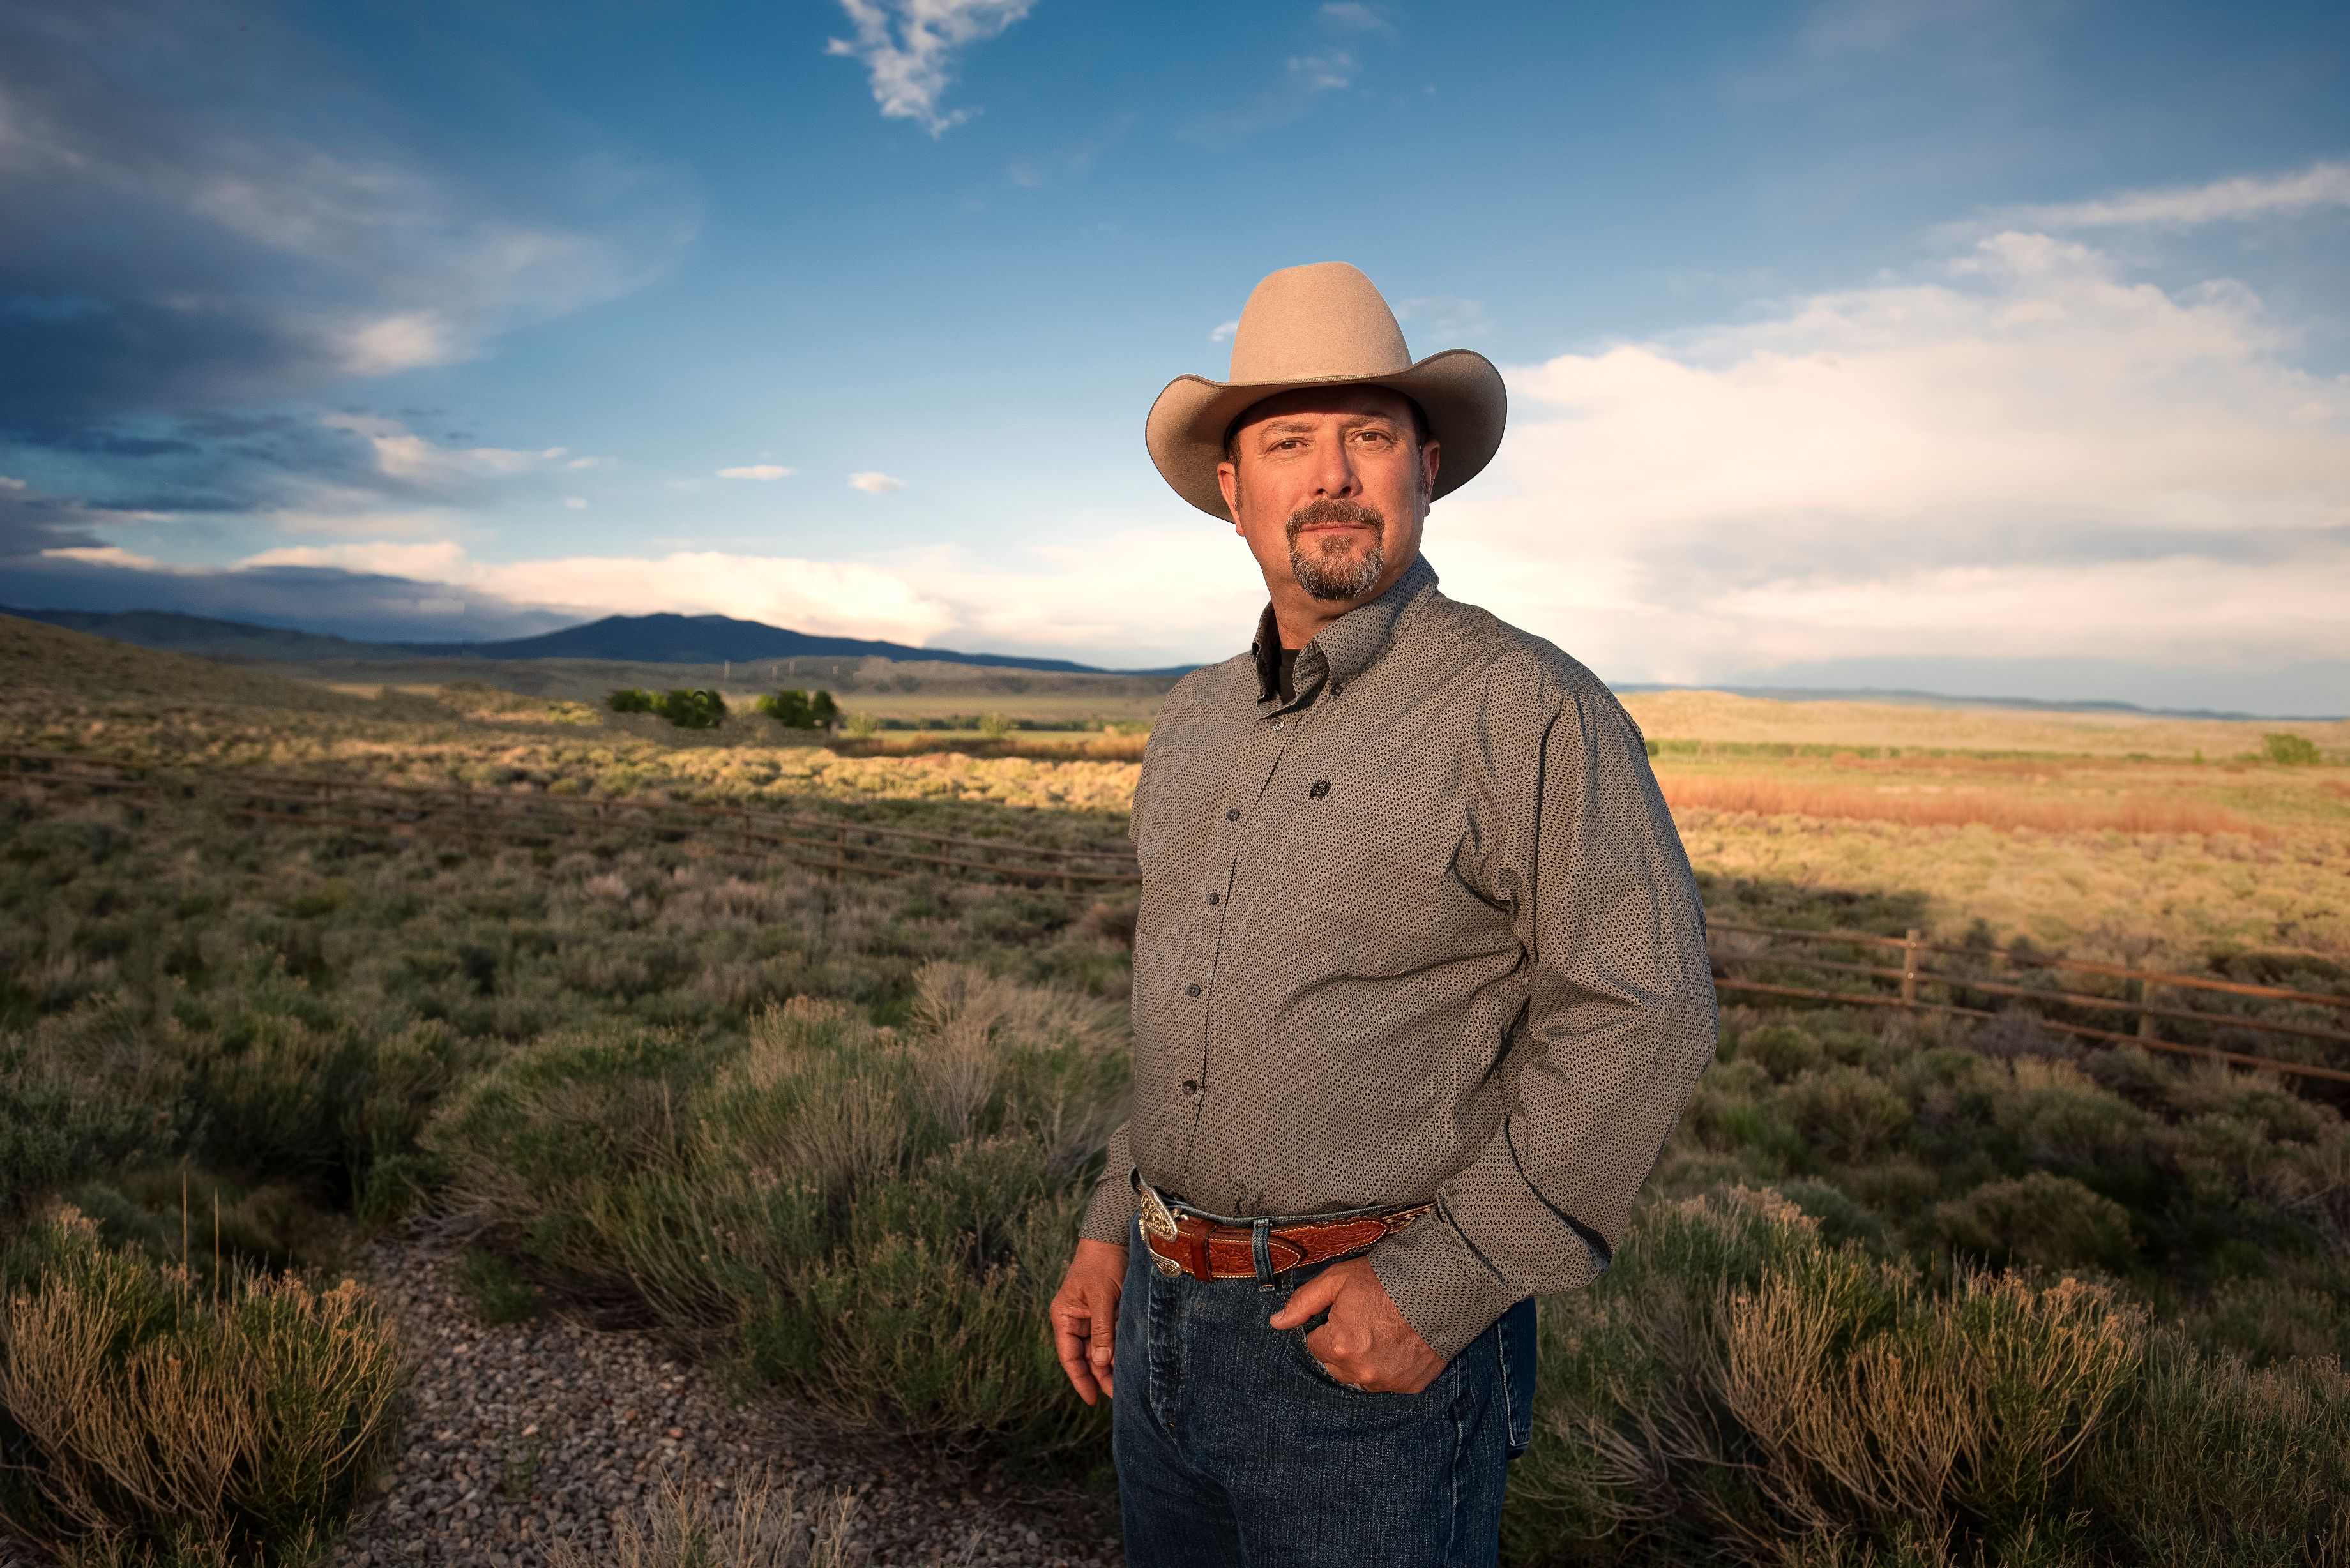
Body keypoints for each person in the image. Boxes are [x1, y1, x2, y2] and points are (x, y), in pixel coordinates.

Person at [1047, 262, 1718, 1567]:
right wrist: (1106, 1228)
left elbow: (1644, 1009)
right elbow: (1184, 1010)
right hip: (1160, 1319)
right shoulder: (1190, 722)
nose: (1332, 472)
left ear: (1425, 468)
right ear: (1233, 493)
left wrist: (1450, 1283)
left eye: (1368, 435)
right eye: (1288, 442)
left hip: (1375, 1346)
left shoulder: (1525, 707)